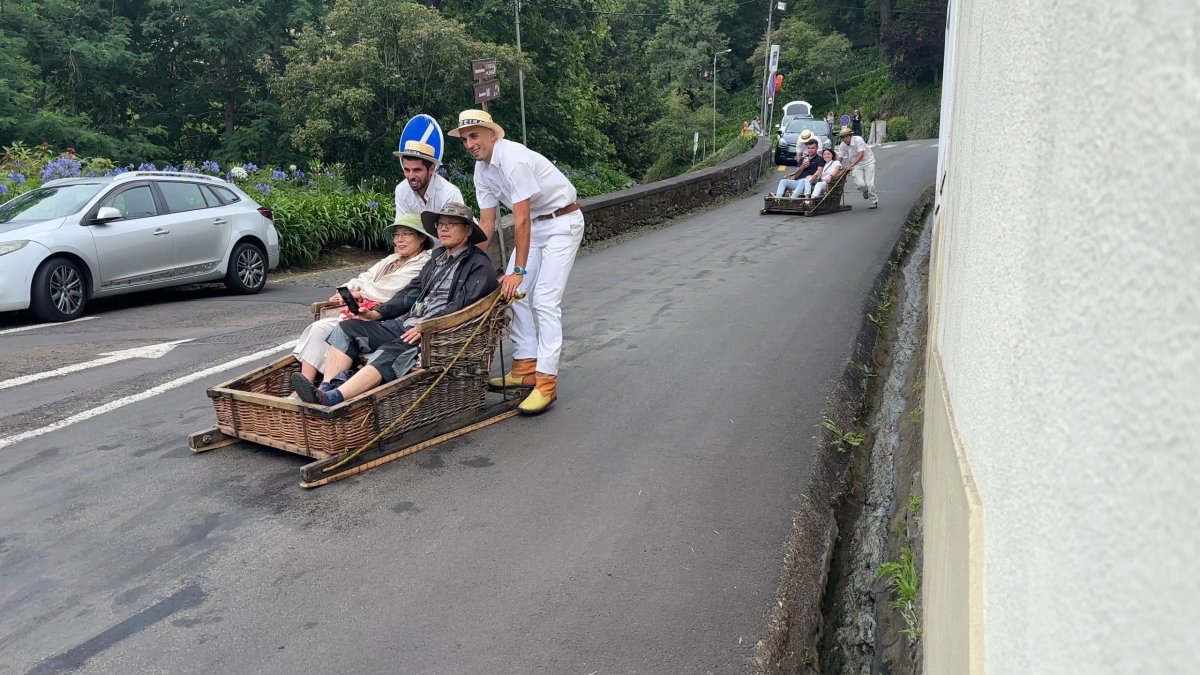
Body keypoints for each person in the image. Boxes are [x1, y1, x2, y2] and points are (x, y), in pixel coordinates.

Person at [291, 202, 498, 406]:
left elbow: (464, 307)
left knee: (392, 350)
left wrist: (429, 326)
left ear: (468, 229)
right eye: (440, 223)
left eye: (451, 223)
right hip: (408, 325)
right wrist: (377, 314)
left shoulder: (478, 265)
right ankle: (325, 388)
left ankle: (331, 399)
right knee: (347, 328)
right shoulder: (437, 257)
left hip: (435, 334)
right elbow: (410, 293)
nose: (443, 228)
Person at [449, 108, 583, 415]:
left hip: (562, 222)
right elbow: (485, 226)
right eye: (465, 139)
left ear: (492, 135)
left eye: (475, 136)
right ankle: (525, 366)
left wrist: (519, 271)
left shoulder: (513, 159)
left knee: (545, 301)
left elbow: (520, 221)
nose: (470, 144)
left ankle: (546, 383)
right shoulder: (481, 171)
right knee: (510, 293)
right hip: (536, 225)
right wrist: (459, 252)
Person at [289, 215, 433, 390]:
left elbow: (388, 289)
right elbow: (366, 276)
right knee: (319, 328)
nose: (399, 240)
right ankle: (305, 385)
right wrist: (346, 290)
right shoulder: (392, 259)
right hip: (363, 310)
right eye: (397, 235)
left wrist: (358, 292)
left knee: (333, 329)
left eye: (406, 234)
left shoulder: (423, 262)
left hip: (386, 316)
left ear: (421, 238)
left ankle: (327, 388)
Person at [393, 139, 464, 216]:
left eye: (417, 170)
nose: (411, 176)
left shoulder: (449, 194)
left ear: (431, 169)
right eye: (406, 170)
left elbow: (457, 227)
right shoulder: (401, 190)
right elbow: (402, 226)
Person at [837, 127, 878, 208]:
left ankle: (873, 200)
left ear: (850, 135)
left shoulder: (858, 139)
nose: (845, 139)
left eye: (846, 136)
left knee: (870, 183)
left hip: (868, 161)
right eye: (842, 137)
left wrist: (851, 165)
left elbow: (861, 154)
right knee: (859, 184)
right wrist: (835, 165)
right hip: (857, 164)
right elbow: (840, 157)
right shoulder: (842, 145)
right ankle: (865, 190)